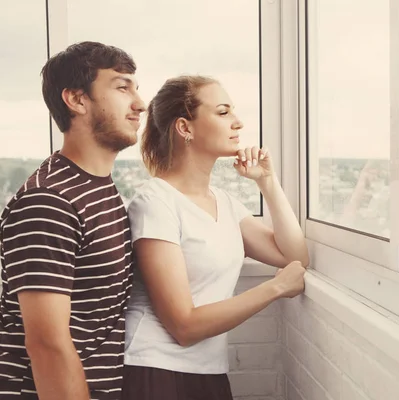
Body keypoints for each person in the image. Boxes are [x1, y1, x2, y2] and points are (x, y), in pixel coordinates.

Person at [121, 75, 309, 399]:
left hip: (208, 371)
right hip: (156, 373)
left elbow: (294, 257)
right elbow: (184, 326)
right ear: (185, 128)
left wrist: (267, 182)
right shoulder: (154, 203)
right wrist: (275, 288)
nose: (238, 123)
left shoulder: (223, 202)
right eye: (223, 112)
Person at [0, 41, 146, 400]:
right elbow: (47, 344)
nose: (139, 104)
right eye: (121, 87)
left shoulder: (96, 187)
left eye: (136, 87)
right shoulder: (49, 201)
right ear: (77, 100)